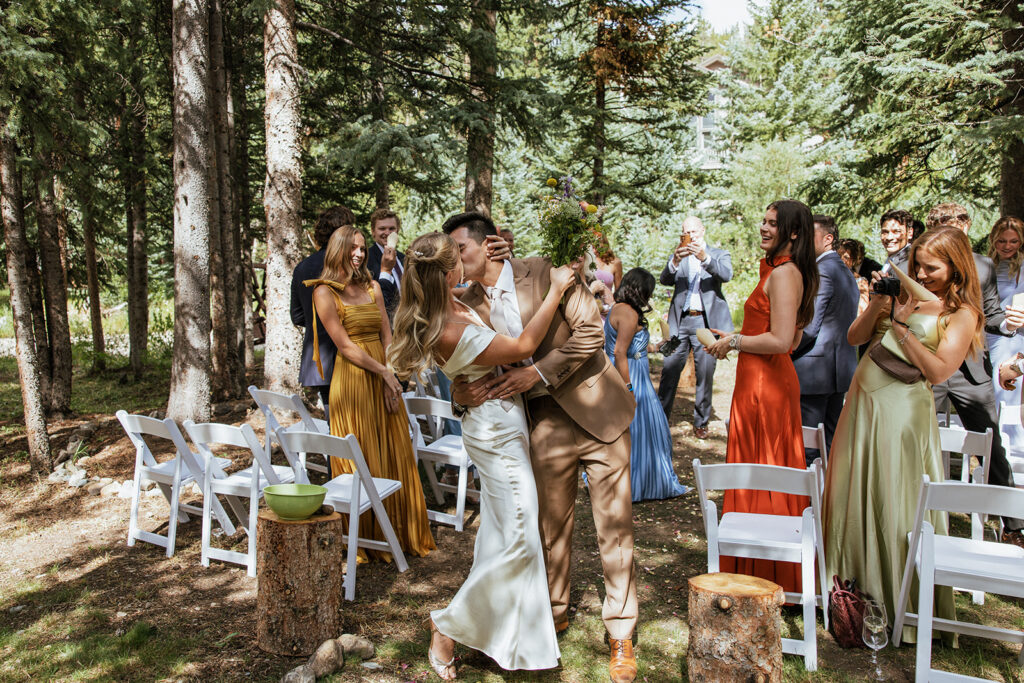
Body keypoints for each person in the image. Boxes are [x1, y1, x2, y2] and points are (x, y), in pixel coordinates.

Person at [444, 211, 639, 683]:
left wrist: (536, 372)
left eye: (460, 249)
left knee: (613, 528)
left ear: (488, 244)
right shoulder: (462, 303)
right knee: (550, 530)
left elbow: (592, 334)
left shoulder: (544, 270)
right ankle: (552, 617)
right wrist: (458, 395)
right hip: (540, 425)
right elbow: (458, 361)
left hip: (598, 412)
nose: (454, 259)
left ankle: (621, 633)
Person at [389, 232, 576, 678]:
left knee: (498, 533)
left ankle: (506, 639)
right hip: (495, 435)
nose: (465, 263)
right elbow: (523, 347)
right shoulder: (449, 326)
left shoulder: (453, 303)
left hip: (500, 423)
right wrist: (557, 290)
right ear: (448, 271)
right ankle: (447, 624)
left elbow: (496, 300)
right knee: (520, 538)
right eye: (458, 258)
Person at [824, 226, 983, 640]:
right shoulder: (900, 296)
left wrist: (901, 329)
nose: (923, 274)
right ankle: (849, 594)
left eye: (932, 268)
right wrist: (879, 303)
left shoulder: (960, 314)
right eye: (918, 266)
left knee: (894, 496)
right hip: (863, 404)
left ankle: (898, 604)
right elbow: (854, 338)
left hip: (903, 415)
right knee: (853, 490)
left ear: (955, 268)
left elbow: (937, 370)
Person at [704, 200, 819, 593]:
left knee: (765, 465)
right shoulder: (779, 269)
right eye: (764, 221)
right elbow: (790, 332)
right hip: (757, 378)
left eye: (774, 224)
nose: (764, 228)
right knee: (754, 462)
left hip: (766, 385)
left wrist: (735, 341)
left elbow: (784, 340)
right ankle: (752, 564)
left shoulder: (786, 273)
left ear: (793, 232)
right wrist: (735, 337)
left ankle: (769, 572)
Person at [305, 225, 436, 559]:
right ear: (337, 249)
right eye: (353, 248)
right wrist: (382, 373)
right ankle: (365, 540)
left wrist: (393, 375)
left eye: (362, 248)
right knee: (362, 452)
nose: (359, 254)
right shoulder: (323, 292)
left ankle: (402, 532)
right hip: (352, 381)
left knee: (395, 448)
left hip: (382, 373)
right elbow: (345, 346)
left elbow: (387, 336)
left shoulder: (373, 286)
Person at [926, 203, 1024, 547]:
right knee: (915, 437)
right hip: (929, 366)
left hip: (971, 370)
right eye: (944, 223)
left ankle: (1013, 526)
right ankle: (912, 515)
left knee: (991, 444)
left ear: (967, 227)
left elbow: (993, 313)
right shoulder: (922, 264)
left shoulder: (983, 265)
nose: (953, 228)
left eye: (959, 223)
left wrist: (1009, 325)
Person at [607, 268, 689, 502]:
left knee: (641, 429)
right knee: (645, 428)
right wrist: (629, 390)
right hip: (631, 378)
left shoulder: (617, 309)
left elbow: (633, 349)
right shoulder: (630, 314)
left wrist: (658, 347)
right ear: (640, 291)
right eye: (648, 292)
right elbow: (620, 352)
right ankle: (643, 483)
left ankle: (631, 480)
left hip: (631, 372)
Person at [791, 215, 859, 463]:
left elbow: (808, 327)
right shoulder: (842, 269)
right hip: (838, 370)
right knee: (829, 444)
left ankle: (810, 501)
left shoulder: (822, 270)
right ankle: (829, 499)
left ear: (828, 239)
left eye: (811, 235)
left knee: (809, 447)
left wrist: (782, 349)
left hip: (814, 371)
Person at [658, 216, 733, 439]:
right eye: (685, 231)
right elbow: (664, 279)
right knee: (669, 370)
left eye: (694, 231)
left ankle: (701, 422)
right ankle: (661, 418)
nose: (690, 235)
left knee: (705, 374)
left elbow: (726, 275)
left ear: (703, 231)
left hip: (706, 323)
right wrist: (674, 261)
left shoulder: (719, 254)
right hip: (680, 323)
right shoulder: (678, 256)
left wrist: (705, 258)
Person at [290, 205, 353, 417]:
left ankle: (333, 451)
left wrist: (319, 322)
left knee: (333, 419)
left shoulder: (303, 267)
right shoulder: (350, 265)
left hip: (320, 357)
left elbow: (297, 315)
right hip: (351, 353)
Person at [986, 216, 1024, 450]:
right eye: (1002, 241)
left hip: (1012, 339)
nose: (1007, 246)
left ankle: (1012, 450)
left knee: (1006, 393)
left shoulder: (1023, 268)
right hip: (985, 335)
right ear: (993, 240)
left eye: (1014, 241)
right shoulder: (985, 264)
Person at [366, 207, 405, 321]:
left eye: (391, 228)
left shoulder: (404, 259)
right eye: (382, 228)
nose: (387, 233)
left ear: (397, 231)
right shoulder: (366, 259)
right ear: (373, 231)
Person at [837, 238, 871, 315]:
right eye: (838, 255)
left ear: (853, 261)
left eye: (846, 257)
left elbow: (861, 313)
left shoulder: (860, 283)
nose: (840, 259)